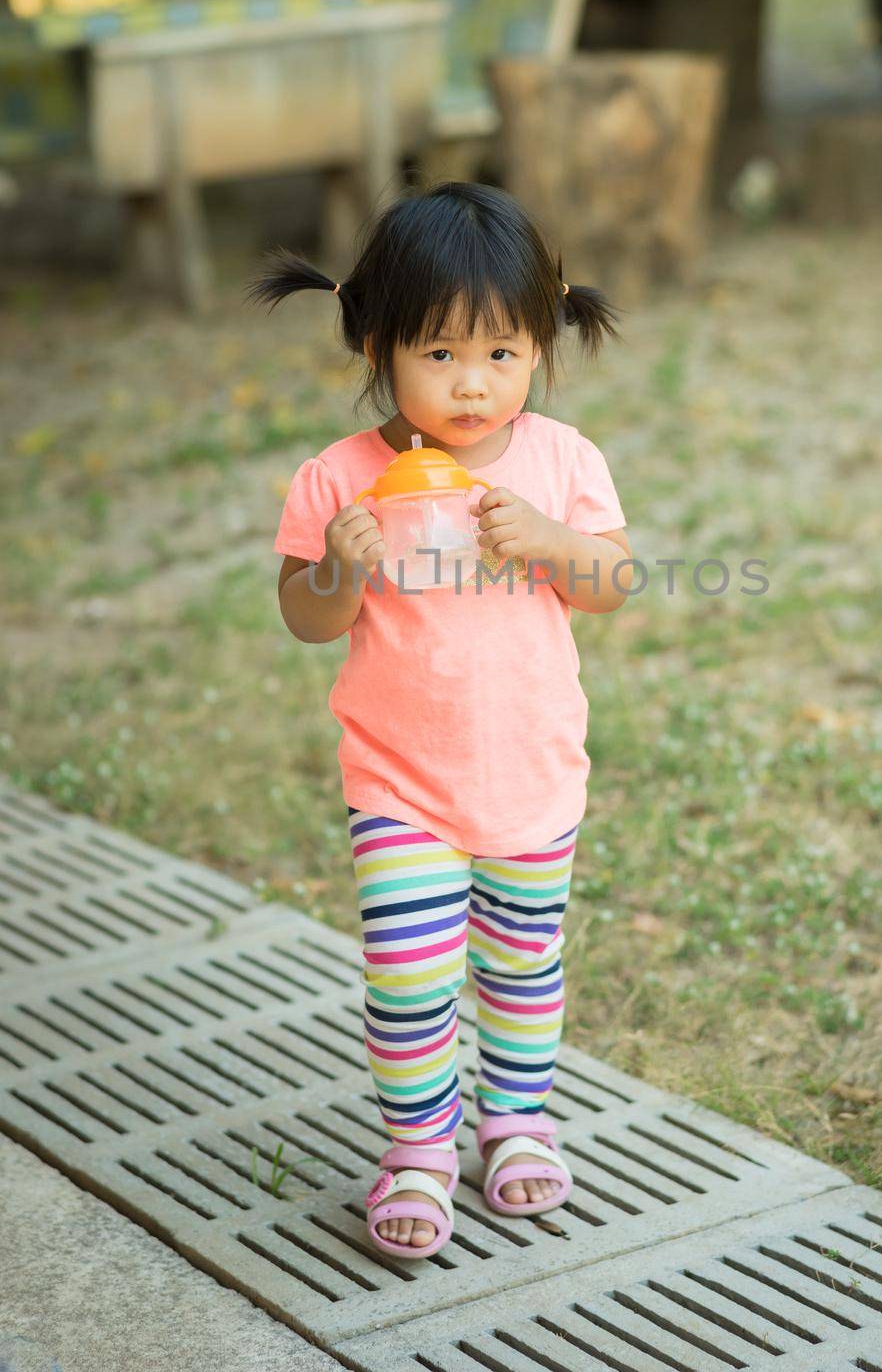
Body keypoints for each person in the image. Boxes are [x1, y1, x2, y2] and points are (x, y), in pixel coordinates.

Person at [246, 181, 633, 1260]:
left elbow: (611, 582)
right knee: (410, 973)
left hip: (531, 773)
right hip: (401, 781)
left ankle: (513, 1122)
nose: (473, 384)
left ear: (540, 347)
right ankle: (417, 1144)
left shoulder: (560, 463)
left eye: (502, 355)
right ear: (377, 342)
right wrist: (336, 566)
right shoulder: (341, 477)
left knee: (520, 965)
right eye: (441, 354)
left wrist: (552, 540)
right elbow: (305, 618)